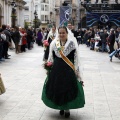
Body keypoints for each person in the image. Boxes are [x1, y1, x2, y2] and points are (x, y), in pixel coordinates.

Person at [42, 26, 85, 118]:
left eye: (63, 33)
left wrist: (76, 70)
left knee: (67, 88)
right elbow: (51, 57)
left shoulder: (72, 44)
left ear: (67, 33)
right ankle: (60, 107)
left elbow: (76, 58)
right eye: (60, 33)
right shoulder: (54, 43)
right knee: (57, 88)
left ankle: (67, 109)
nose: (61, 34)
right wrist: (49, 67)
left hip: (68, 70)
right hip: (56, 70)